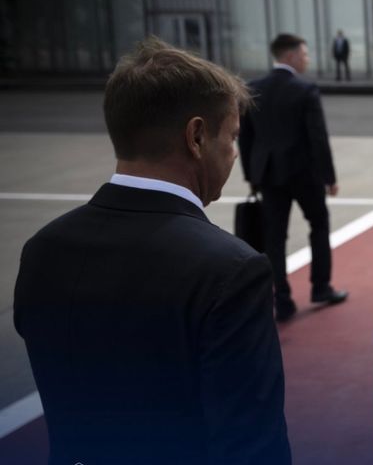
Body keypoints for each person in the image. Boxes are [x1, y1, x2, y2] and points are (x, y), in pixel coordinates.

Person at [14, 38, 291, 465]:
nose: (234, 153)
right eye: (232, 137)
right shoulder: (231, 271)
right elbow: (251, 444)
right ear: (196, 136)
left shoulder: (42, 251)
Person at [240, 33, 347, 323]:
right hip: (304, 173)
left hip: (270, 175)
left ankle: (282, 299)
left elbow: (246, 138)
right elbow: (318, 138)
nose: (307, 59)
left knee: (275, 237)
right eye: (304, 54)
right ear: (289, 56)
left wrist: (252, 176)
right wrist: (329, 177)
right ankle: (321, 287)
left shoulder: (254, 89)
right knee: (319, 225)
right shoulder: (305, 90)